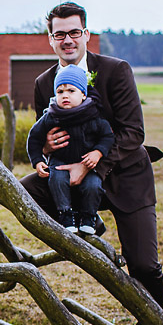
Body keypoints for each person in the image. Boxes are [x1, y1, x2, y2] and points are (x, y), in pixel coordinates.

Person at [20, 2, 163, 315]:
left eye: (74, 32)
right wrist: (46, 146)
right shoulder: (43, 84)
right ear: (50, 39)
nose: (68, 40)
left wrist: (90, 165)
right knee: (26, 189)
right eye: (59, 34)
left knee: (143, 264)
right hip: (73, 181)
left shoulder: (116, 70)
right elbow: (45, 131)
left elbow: (133, 132)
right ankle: (87, 221)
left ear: (86, 34)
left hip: (126, 176)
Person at [26, 64, 114, 235]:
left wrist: (98, 152)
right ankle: (65, 215)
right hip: (59, 161)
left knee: (93, 186)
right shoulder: (51, 115)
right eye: (60, 92)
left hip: (87, 162)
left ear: (83, 94)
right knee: (57, 182)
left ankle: (89, 217)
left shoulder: (93, 115)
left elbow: (107, 137)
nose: (65, 95)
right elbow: (34, 138)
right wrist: (37, 161)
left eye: (71, 91)